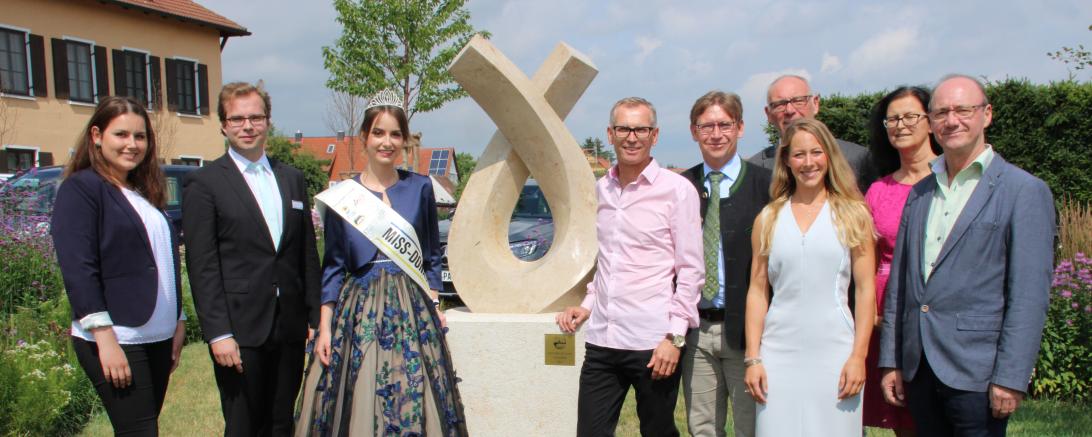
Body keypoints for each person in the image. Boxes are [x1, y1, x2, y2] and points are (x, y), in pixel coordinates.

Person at [878, 74, 1055, 436]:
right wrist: (891, 361)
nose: (951, 120)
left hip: (978, 372)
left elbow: (1029, 295)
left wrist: (1011, 376)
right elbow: (900, 287)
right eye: (941, 112)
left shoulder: (1023, 191)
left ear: (986, 115)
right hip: (920, 368)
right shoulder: (921, 192)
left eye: (962, 109)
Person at [295, 89, 468, 436]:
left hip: (412, 308)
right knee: (359, 393)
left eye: (394, 134)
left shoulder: (420, 187)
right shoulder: (344, 198)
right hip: (359, 310)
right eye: (378, 132)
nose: (386, 142)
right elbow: (332, 267)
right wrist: (325, 327)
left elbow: (432, 255)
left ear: (404, 140)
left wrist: (434, 302)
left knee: (414, 390)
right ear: (364, 137)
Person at [556, 97, 703, 436]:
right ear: (610, 133)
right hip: (603, 341)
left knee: (658, 432)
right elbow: (607, 260)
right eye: (624, 128)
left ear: (655, 135)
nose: (632, 137)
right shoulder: (601, 189)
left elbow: (691, 271)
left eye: (641, 129)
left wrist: (675, 337)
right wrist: (587, 305)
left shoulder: (677, 191)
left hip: (653, 343)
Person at [182, 82, 321, 436]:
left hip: (289, 327)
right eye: (238, 118)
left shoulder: (291, 179)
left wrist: (314, 315)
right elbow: (202, 265)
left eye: (255, 117)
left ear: (268, 121)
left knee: (281, 421)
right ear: (224, 125)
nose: (248, 126)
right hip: (240, 329)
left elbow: (305, 252)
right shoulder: (205, 183)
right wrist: (218, 334)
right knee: (244, 424)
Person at [52, 96, 186, 435]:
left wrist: (179, 319)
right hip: (118, 336)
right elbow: (79, 268)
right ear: (97, 135)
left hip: (157, 334)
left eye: (140, 137)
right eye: (121, 135)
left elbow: (162, 260)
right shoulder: (81, 189)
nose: (132, 144)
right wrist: (104, 338)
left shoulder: (142, 192)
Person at [743, 118, 877, 436]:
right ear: (787, 161)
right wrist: (753, 358)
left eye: (816, 152)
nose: (808, 163)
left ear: (829, 155)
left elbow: (866, 289)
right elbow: (757, 291)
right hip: (777, 354)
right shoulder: (769, 217)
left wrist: (859, 356)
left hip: (836, 352)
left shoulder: (852, 214)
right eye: (799, 155)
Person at [679, 91, 771, 437]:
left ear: (740, 128)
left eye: (724, 125)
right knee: (702, 427)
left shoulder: (767, 185)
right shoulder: (682, 187)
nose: (716, 134)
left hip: (747, 332)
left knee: (752, 425)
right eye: (706, 126)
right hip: (696, 333)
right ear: (693, 131)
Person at [861, 86, 940, 436]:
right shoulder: (879, 190)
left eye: (910, 116)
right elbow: (866, 259)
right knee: (903, 417)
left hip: (938, 310)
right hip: (886, 318)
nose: (900, 125)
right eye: (892, 119)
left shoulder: (950, 181)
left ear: (931, 121)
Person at [747, 75, 877, 194]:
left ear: (815, 103)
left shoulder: (859, 158)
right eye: (780, 105)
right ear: (768, 114)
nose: (790, 110)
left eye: (798, 100)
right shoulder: (753, 171)